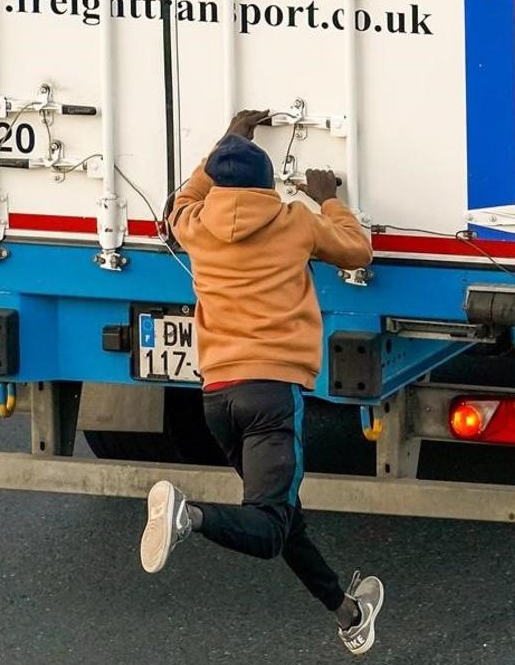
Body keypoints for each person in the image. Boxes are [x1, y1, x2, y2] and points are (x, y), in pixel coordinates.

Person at [139, 110, 383, 655]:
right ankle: (190, 516)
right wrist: (329, 198)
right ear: (268, 182)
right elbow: (358, 249)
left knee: (281, 516)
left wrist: (224, 142)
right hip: (272, 395)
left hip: (217, 397)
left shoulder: (196, 225)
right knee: (270, 526)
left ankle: (349, 615)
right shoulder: (295, 220)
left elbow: (178, 203)